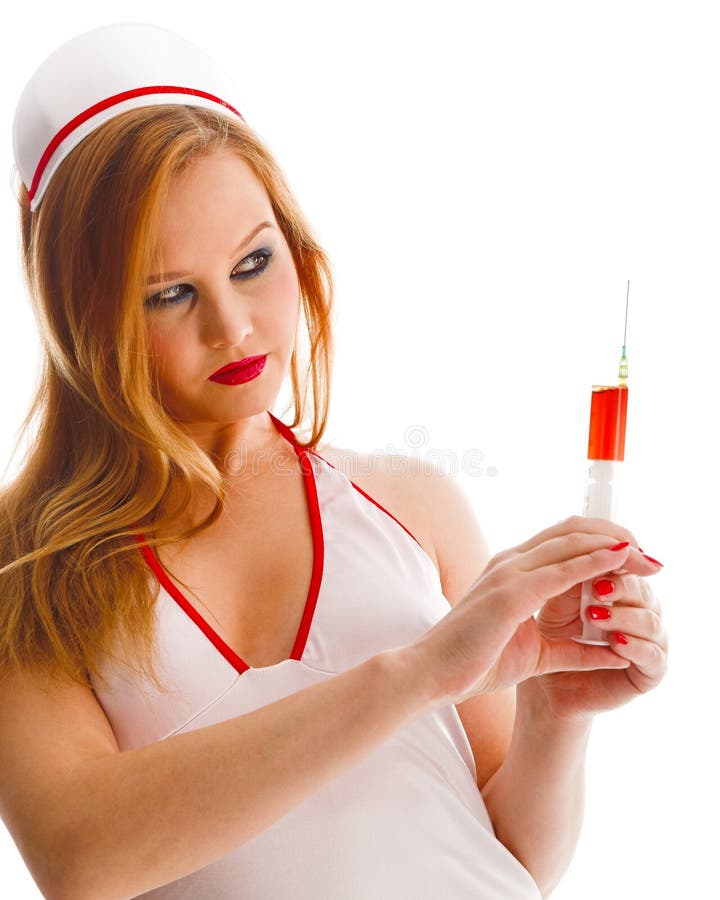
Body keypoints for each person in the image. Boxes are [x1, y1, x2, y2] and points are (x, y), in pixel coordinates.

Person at [0, 22, 668, 900]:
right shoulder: (28, 569)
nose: (233, 327)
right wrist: (416, 673)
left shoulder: (408, 504)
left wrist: (555, 711)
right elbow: (81, 857)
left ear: (295, 247)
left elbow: (516, 856)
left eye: (253, 262)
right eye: (169, 293)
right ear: (78, 312)